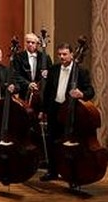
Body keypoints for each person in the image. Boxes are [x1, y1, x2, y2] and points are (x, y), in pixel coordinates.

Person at [39, 42, 95, 182]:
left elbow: (90, 91)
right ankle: (52, 171)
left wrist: (81, 94)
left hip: (71, 112)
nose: (62, 57)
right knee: (52, 141)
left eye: (65, 54)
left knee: (71, 144)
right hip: (54, 110)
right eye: (59, 54)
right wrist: (43, 110)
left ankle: (72, 174)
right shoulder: (54, 69)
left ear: (71, 54)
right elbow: (47, 92)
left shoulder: (81, 71)